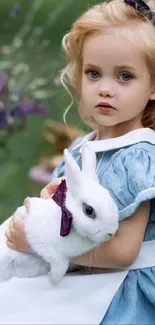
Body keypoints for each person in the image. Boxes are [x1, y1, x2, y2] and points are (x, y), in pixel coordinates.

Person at [4, 0, 155, 323]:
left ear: (153, 86)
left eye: (125, 77)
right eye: (93, 73)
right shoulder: (85, 146)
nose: (105, 89)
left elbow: (124, 252)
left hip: (120, 289)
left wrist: (37, 243)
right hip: (85, 275)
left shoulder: (139, 155)